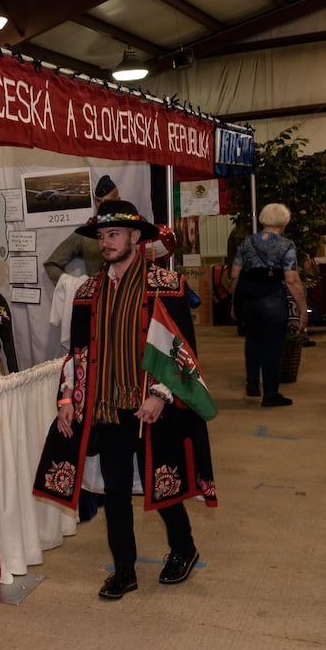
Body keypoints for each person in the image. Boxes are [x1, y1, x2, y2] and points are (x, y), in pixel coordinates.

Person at [53, 200, 216, 601]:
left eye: (114, 235)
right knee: (116, 491)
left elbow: (182, 348)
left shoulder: (167, 285)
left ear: (134, 238)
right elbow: (77, 351)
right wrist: (68, 399)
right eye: (102, 236)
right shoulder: (86, 292)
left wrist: (160, 395)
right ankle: (124, 570)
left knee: (163, 487)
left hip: (153, 406)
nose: (106, 243)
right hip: (107, 405)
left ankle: (184, 549)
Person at [228, 203, 309, 406]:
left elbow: (234, 274)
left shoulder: (247, 242)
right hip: (272, 298)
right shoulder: (286, 245)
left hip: (248, 297)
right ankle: (271, 394)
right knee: (273, 346)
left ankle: (253, 383)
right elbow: (291, 279)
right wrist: (302, 308)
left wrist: (234, 301)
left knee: (252, 340)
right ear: (284, 221)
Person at [42, 174, 121, 283]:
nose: (101, 206)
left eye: (108, 201)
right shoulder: (86, 233)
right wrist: (76, 288)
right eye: (98, 201)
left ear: (118, 200)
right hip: (99, 296)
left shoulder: (135, 228)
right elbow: (51, 264)